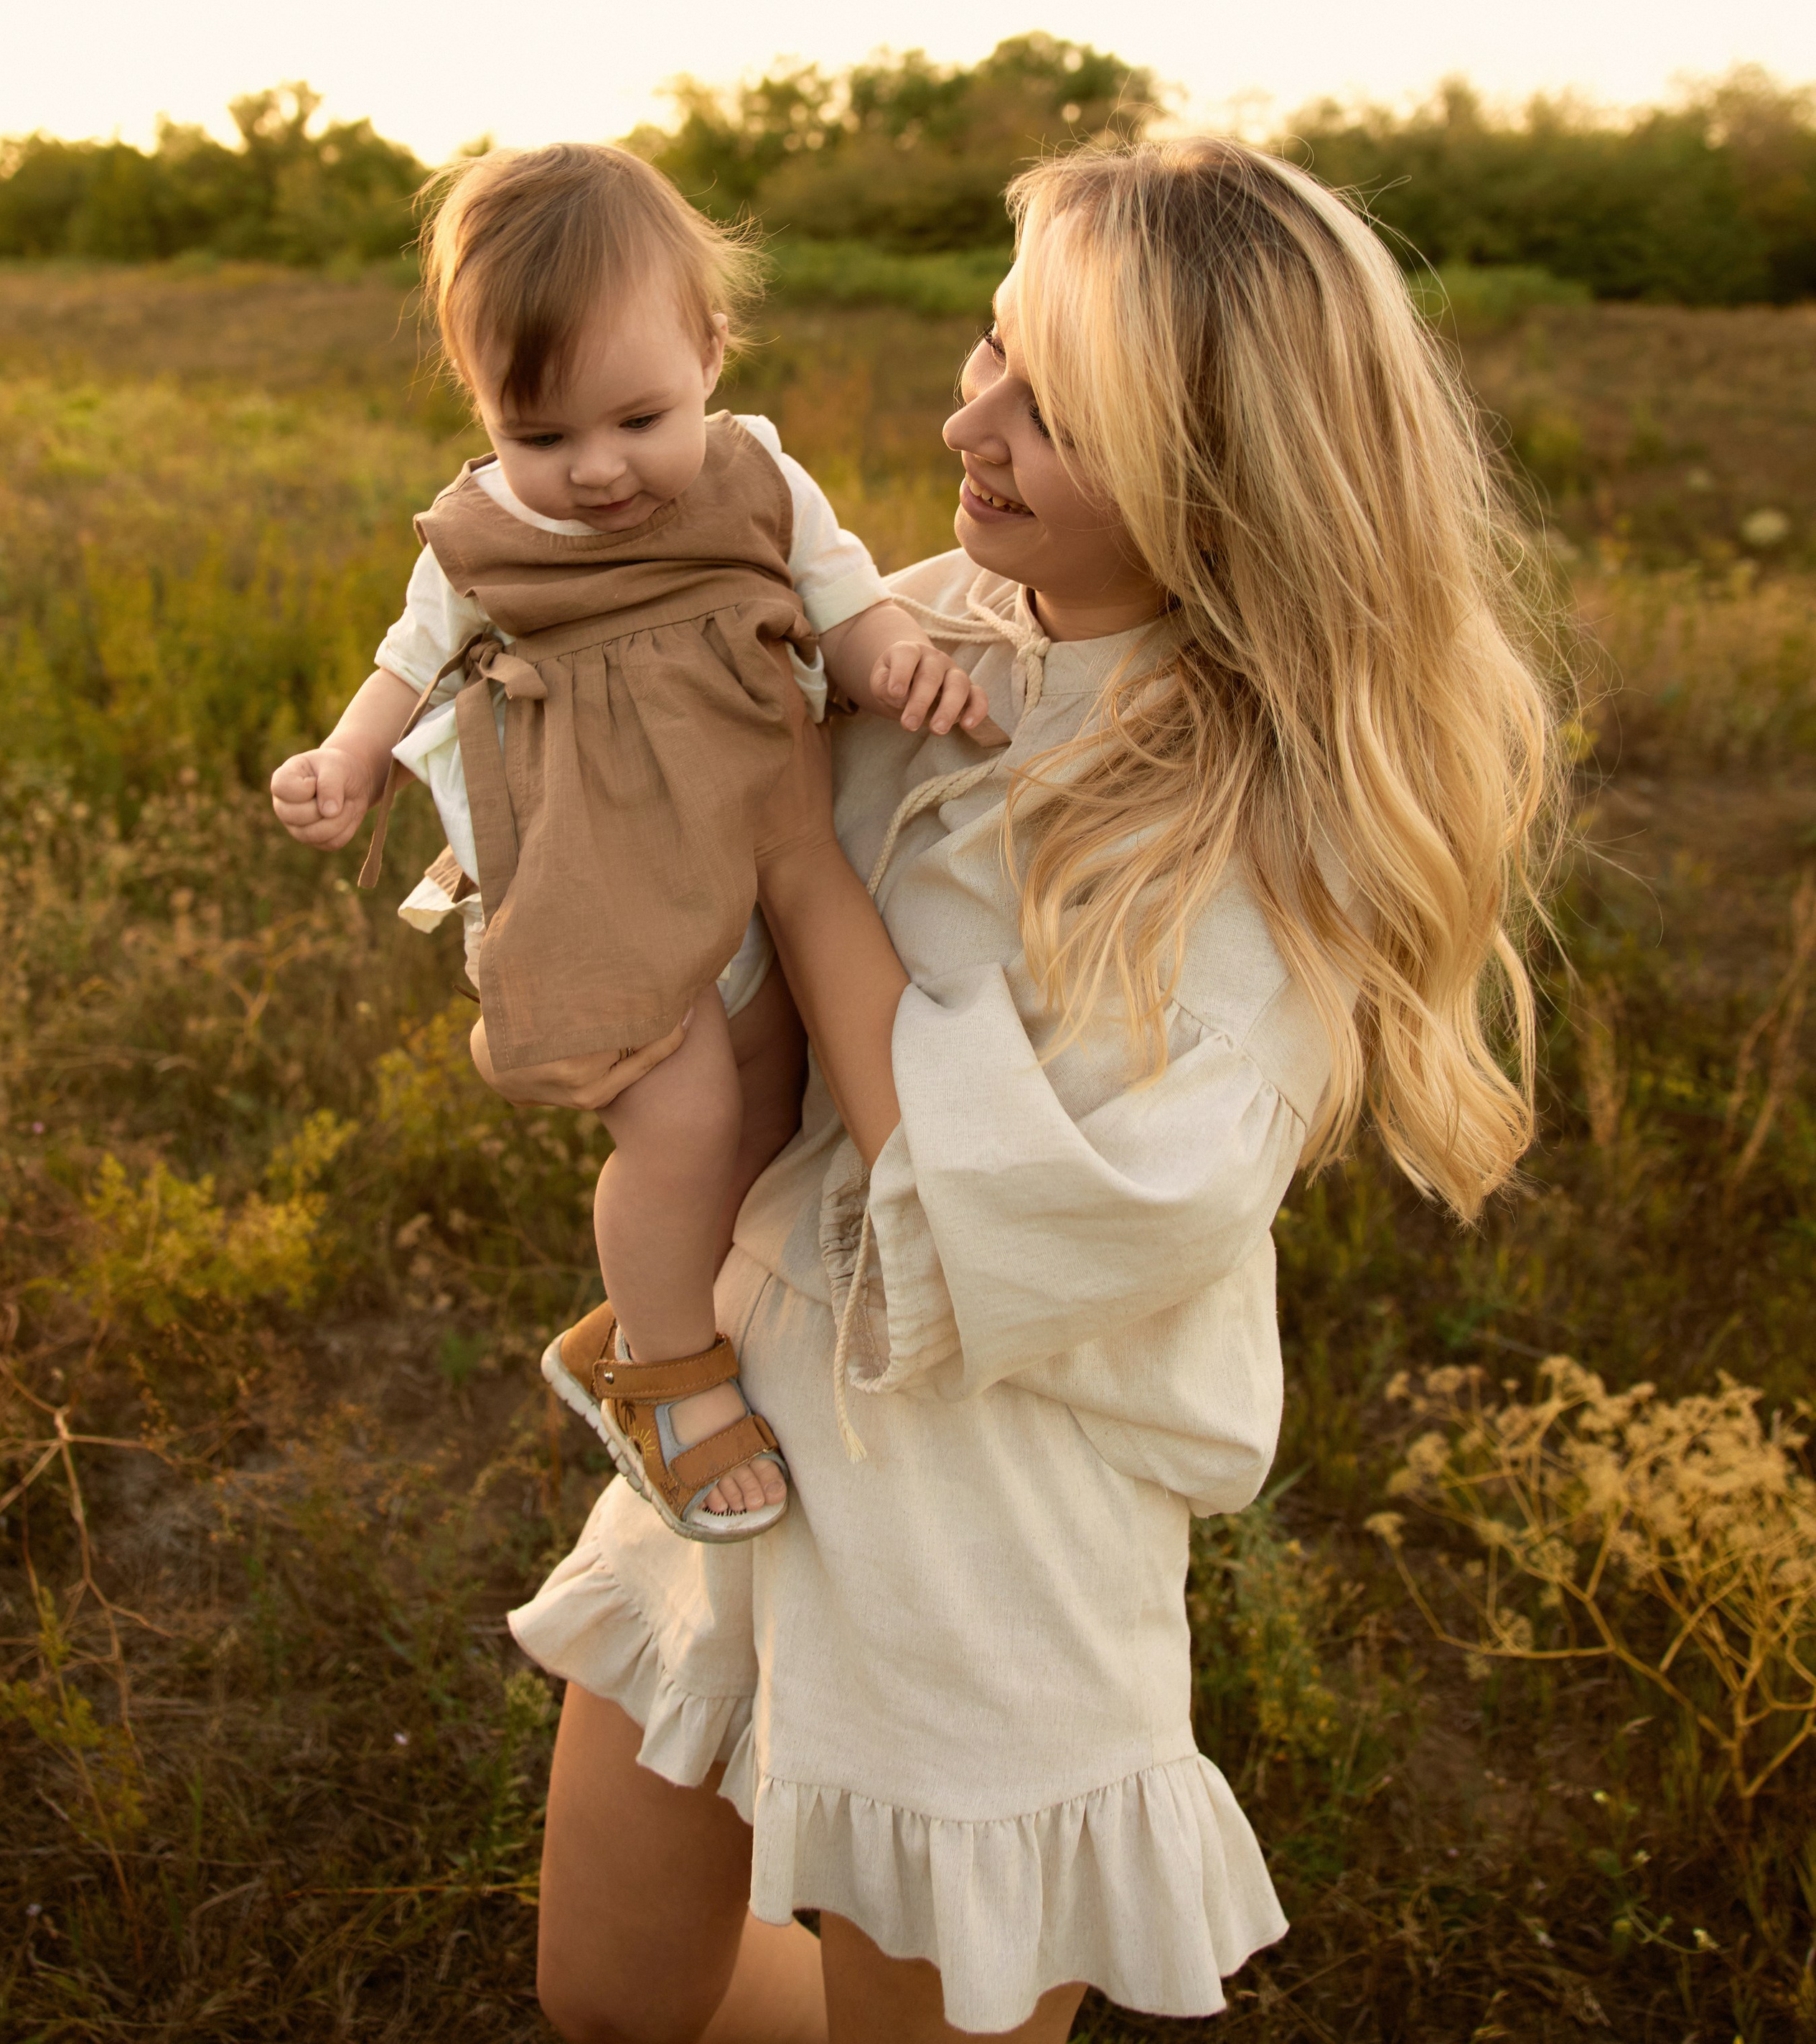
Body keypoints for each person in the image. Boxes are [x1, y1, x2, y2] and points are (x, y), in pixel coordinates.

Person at [505, 136, 1564, 2040]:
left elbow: (1003, 1198)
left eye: (1047, 405)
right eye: (993, 349)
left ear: (1217, 476)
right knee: (611, 1992)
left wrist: (799, 855)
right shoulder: (938, 618)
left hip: (988, 1530)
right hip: (756, 1409)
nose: (965, 414)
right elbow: (694, 869)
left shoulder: (1261, 846)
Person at [268, 143, 988, 1536]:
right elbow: (404, 665)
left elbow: (849, 605)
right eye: (538, 437)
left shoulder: (758, 478)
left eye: (634, 420)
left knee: (770, 1108)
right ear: (481, 411)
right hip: (590, 877)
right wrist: (347, 759)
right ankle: (670, 1380)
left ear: (710, 352)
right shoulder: (480, 539)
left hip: (749, 876)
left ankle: (659, 1317)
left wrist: (901, 659)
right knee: (682, 1117)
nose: (594, 471)